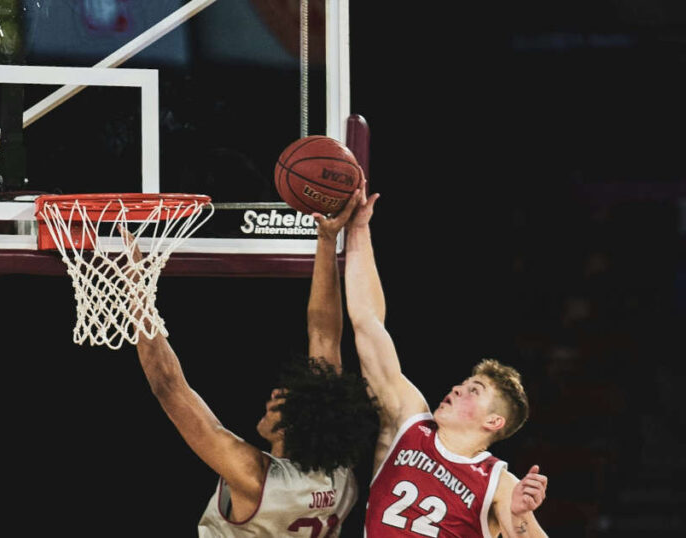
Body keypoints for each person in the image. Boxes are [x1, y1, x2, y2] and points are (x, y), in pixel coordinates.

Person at [125, 192, 379, 537]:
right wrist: (326, 238)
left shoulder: (255, 477)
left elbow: (168, 387)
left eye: (282, 400)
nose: (274, 393)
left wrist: (137, 290)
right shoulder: (337, 471)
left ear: (291, 426)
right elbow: (324, 334)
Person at [337, 181, 550, 537]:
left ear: (494, 421)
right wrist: (358, 229)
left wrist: (519, 518)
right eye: (464, 384)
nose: (456, 389)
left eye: (474, 390)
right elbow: (368, 324)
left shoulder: (498, 482)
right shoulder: (408, 421)